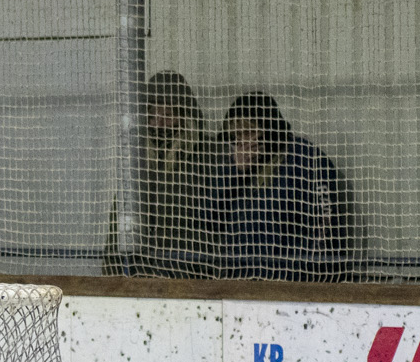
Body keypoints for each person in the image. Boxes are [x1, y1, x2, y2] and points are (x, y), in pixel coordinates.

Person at [211, 91, 349, 283]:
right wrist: (235, 173)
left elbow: (326, 230)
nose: (243, 143)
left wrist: (298, 279)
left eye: (249, 132)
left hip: (293, 287)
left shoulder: (306, 159)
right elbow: (210, 221)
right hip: (241, 286)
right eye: (236, 136)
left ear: (268, 129)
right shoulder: (235, 168)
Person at [102, 71, 216, 279]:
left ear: (184, 116)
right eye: (154, 115)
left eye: (168, 115)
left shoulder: (207, 155)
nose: (160, 123)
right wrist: (114, 278)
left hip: (193, 277)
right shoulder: (136, 160)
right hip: (139, 278)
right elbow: (119, 223)